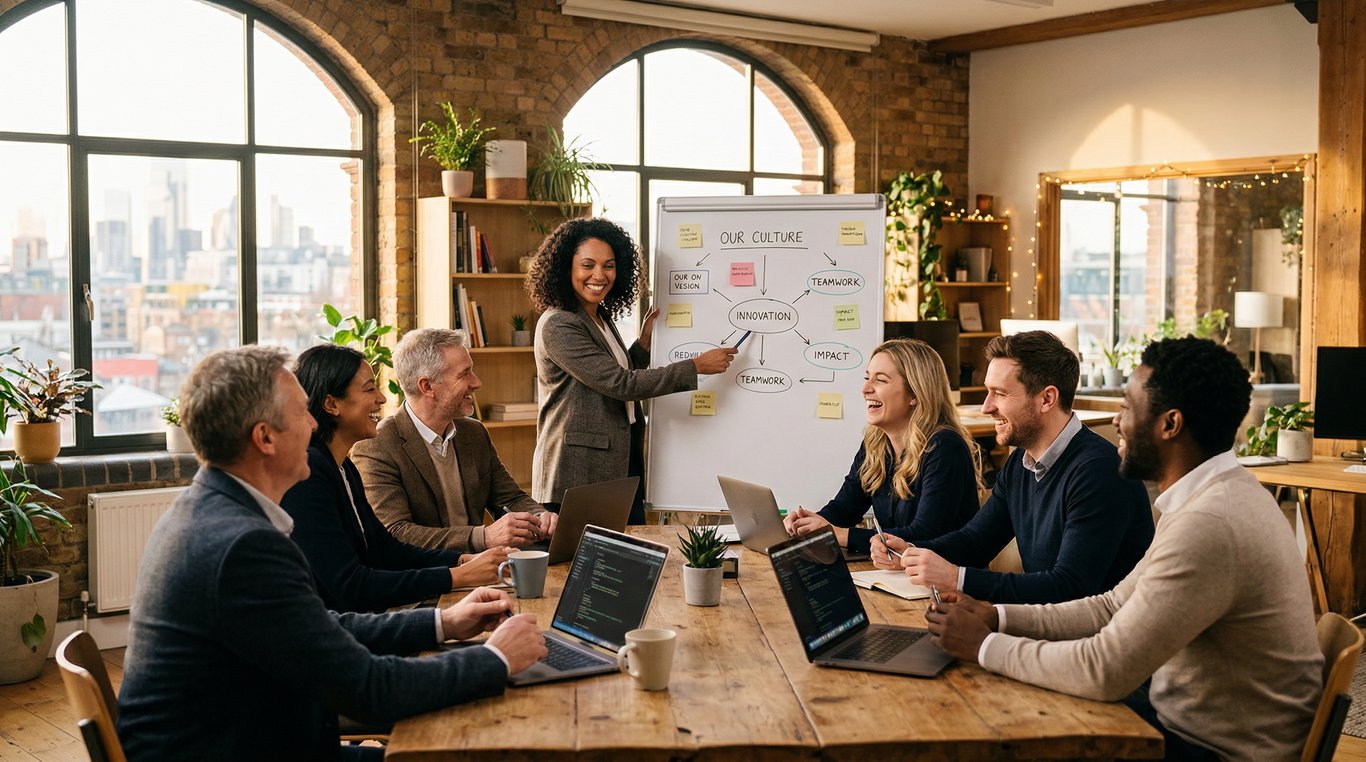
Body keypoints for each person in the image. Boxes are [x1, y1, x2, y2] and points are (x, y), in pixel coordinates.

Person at [116, 346, 547, 761]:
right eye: (301, 413)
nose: (312, 425)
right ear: (264, 438)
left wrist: (445, 621)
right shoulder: (243, 545)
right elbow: (370, 688)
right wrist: (494, 658)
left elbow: (318, 626)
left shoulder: (213, 510)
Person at [925, 337, 1323, 760]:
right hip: (1177, 720)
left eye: (1129, 407)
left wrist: (984, 645)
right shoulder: (1205, 496)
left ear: (1170, 425)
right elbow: (1111, 606)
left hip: (1211, 748)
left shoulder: (1210, 522)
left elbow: (1104, 670)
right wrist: (997, 616)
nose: (1117, 421)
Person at [876, 330, 1153, 604]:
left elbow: (1070, 588)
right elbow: (976, 542)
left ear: (1047, 399)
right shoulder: (1021, 464)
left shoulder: (1100, 471)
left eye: (999, 393)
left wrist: (956, 578)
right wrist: (912, 551)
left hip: (1092, 641)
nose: (986, 407)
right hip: (1046, 627)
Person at [525, 217, 736, 524]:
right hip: (578, 470)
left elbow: (614, 372)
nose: (599, 275)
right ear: (565, 267)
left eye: (609, 265)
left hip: (619, 462)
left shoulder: (598, 316)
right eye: (588, 265)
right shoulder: (560, 323)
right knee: (578, 567)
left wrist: (645, 344)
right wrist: (696, 367)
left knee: (624, 560)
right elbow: (619, 383)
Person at [281, 344, 513, 613]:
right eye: (369, 389)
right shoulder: (309, 472)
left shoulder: (342, 465)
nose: (381, 398)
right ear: (332, 404)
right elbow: (351, 586)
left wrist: (462, 560)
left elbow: (387, 550)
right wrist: (456, 577)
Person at [353, 328, 557, 551]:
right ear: (427, 386)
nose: (476, 382)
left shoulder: (474, 432)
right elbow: (396, 532)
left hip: (483, 568)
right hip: (427, 575)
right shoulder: (376, 446)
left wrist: (541, 516)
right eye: (464, 374)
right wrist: (483, 537)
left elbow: (509, 497)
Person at [782, 338, 982, 556]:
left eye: (880, 380)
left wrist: (837, 534)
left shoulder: (944, 447)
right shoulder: (876, 443)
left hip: (945, 584)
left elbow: (924, 534)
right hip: (900, 576)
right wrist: (810, 523)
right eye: (867, 378)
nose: (865, 389)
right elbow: (845, 508)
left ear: (915, 393)